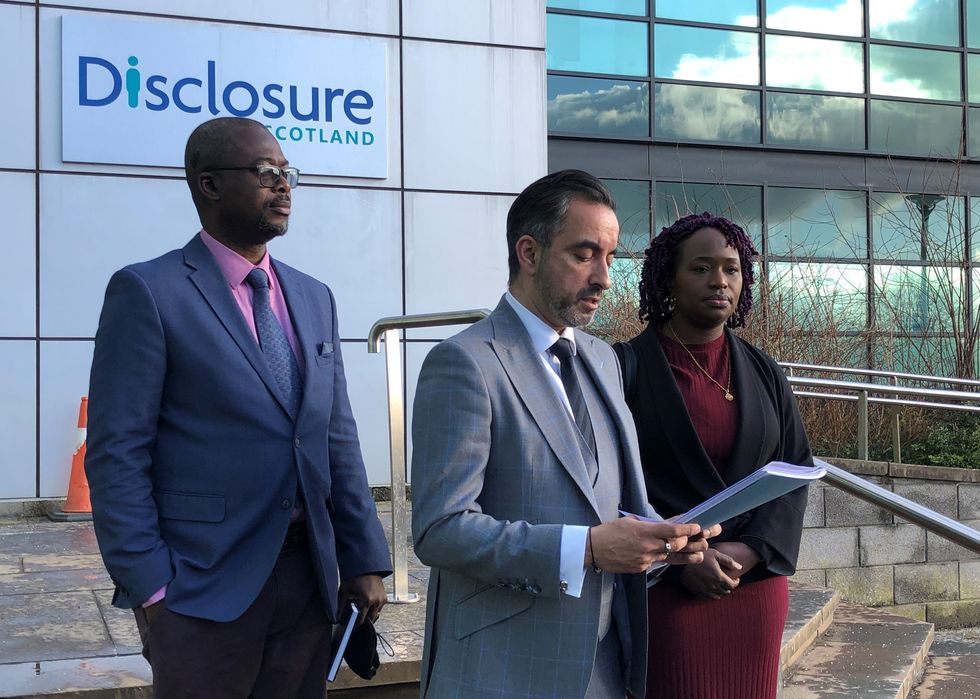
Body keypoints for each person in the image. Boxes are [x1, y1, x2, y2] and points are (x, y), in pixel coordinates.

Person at [85, 116, 392, 698]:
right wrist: (152, 589)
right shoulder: (149, 292)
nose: (284, 186)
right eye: (265, 173)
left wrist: (363, 558)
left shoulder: (313, 296)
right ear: (209, 184)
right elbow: (116, 454)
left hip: (307, 583)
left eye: (287, 173)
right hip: (201, 588)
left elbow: (335, 439)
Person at [410, 170, 720, 698]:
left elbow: (620, 508)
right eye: (583, 255)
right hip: (502, 671)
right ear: (529, 253)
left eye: (610, 257)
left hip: (602, 670)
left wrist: (660, 544)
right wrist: (588, 549)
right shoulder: (464, 363)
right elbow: (440, 529)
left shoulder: (602, 359)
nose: (604, 277)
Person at [615, 212, 813, 699]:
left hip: (752, 587)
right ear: (669, 278)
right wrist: (680, 558)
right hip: (667, 590)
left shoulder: (763, 369)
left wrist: (751, 550)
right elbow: (604, 481)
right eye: (701, 268)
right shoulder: (624, 368)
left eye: (731, 268)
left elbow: (797, 469)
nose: (719, 281)